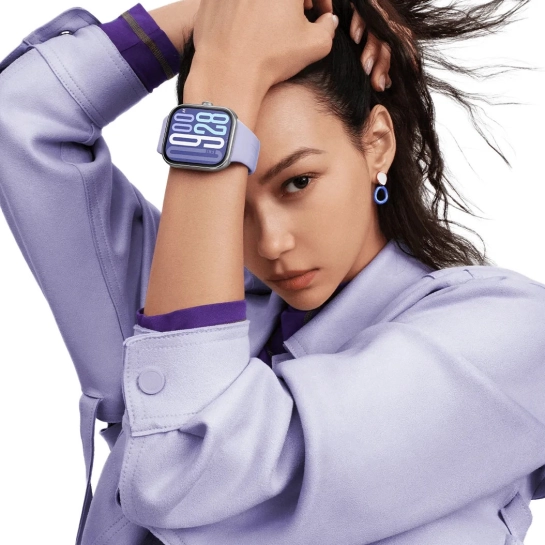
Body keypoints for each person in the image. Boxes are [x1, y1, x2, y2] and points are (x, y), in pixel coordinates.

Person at [0, 0, 544, 544]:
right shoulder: (175, 299)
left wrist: (221, 88)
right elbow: (20, 116)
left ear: (376, 144)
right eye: (232, 202)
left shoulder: (506, 337)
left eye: (298, 182)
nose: (271, 243)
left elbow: (182, 471)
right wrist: (224, 18)